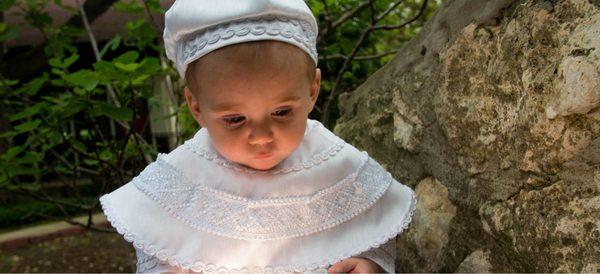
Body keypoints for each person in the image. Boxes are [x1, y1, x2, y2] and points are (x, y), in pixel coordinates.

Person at [99, 0, 417, 273]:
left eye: (281, 112)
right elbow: (159, 246)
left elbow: (374, 230)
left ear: (312, 91)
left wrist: (369, 262)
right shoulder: (181, 179)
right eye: (235, 119)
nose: (261, 137)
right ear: (196, 107)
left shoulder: (337, 164)